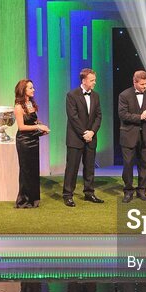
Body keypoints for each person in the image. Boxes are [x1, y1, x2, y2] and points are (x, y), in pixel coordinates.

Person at [63, 68, 103, 207]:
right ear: (84, 80)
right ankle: (68, 195)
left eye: (94, 80)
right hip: (75, 138)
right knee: (72, 168)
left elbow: (98, 116)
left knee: (90, 167)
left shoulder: (96, 96)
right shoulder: (72, 95)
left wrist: (92, 132)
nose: (94, 82)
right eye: (92, 80)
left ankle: (89, 193)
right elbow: (73, 117)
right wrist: (84, 133)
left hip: (91, 138)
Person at [118, 70, 146, 202]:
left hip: (145, 134)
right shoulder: (124, 95)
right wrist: (140, 117)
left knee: (144, 164)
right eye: (142, 84)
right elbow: (123, 115)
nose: (145, 86)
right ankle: (128, 191)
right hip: (129, 135)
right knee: (128, 164)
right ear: (134, 82)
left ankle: (142, 190)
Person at [13, 78, 50, 208]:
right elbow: (22, 127)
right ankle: (23, 200)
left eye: (33, 87)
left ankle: (34, 199)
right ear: (23, 90)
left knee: (34, 170)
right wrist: (38, 128)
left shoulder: (31, 104)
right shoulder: (18, 107)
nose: (33, 90)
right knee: (26, 170)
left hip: (34, 140)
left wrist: (40, 127)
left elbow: (33, 122)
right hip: (24, 141)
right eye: (30, 88)